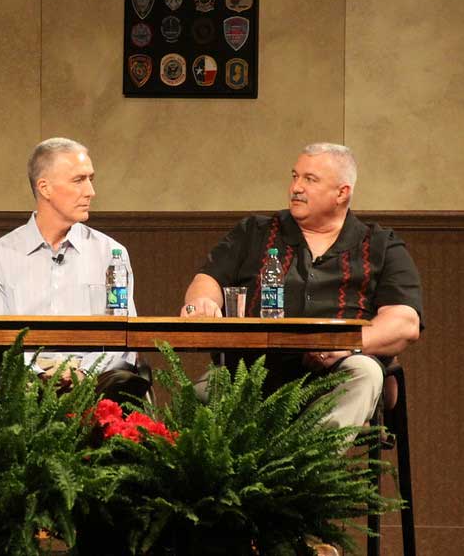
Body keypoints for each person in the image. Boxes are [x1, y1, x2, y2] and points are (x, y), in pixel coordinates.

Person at [181, 142, 423, 430]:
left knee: (366, 372)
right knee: (190, 400)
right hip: (251, 371)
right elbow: (207, 280)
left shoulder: (381, 244)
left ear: (342, 193)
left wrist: (344, 346)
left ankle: (310, 467)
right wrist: (202, 303)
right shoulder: (255, 232)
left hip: (335, 373)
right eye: (295, 176)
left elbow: (404, 322)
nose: (296, 187)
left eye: (310, 179)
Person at [0, 137, 150, 401]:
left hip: (98, 384)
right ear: (44, 188)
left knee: (124, 381)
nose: (90, 191)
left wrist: (86, 375)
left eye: (91, 179)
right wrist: (41, 377)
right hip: (24, 386)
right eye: (78, 180)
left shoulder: (111, 254)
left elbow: (124, 340)